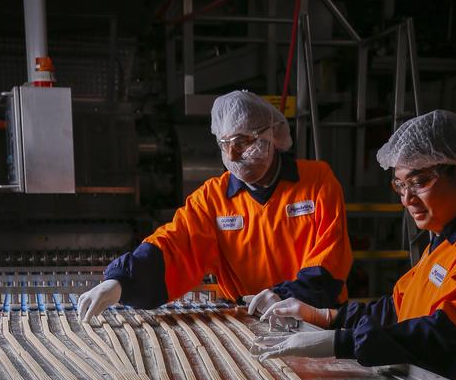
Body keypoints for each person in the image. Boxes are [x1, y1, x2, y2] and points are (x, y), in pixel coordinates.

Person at [252, 110, 456, 380]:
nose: (407, 199)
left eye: (419, 181)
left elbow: (444, 341)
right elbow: (398, 310)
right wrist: (325, 316)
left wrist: (341, 342)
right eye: (400, 185)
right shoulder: (446, 242)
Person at [77, 90, 352, 322]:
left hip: (315, 318)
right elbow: (175, 245)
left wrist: (287, 295)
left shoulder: (317, 181)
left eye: (242, 142)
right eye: (225, 143)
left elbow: (330, 260)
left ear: (269, 137)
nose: (232, 154)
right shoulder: (213, 198)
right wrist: (121, 282)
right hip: (249, 321)